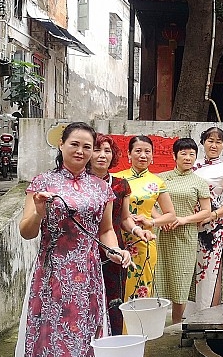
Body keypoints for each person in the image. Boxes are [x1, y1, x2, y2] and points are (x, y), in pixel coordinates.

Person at [0, 122, 133, 357]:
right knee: (37, 346)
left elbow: (105, 231)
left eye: (88, 147)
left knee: (78, 350)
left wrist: (115, 251)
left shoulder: (101, 189)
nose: (81, 151)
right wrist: (39, 211)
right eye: (75, 144)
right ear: (61, 144)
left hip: (87, 281)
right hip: (50, 277)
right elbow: (27, 231)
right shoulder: (42, 183)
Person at [89, 133, 153, 335]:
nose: (102, 155)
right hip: (85, 251)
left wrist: (137, 230)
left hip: (114, 250)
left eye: (107, 151)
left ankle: (113, 341)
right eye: (97, 150)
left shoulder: (120, 185)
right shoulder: (79, 184)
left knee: (114, 301)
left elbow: (124, 218)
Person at [156, 138, 212, 323]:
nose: (188, 158)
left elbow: (206, 211)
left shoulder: (199, 182)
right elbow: (150, 203)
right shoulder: (161, 178)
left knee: (181, 280)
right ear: (174, 156)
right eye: (183, 153)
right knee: (160, 276)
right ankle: (157, 323)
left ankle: (176, 323)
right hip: (162, 234)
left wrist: (183, 219)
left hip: (185, 235)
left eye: (192, 154)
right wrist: (160, 220)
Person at [114, 136, 177, 301]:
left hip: (144, 241)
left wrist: (151, 221)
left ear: (152, 155)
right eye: (138, 151)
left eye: (147, 151)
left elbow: (170, 214)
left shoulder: (157, 182)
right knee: (117, 287)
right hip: (118, 240)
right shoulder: (117, 178)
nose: (143, 155)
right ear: (129, 154)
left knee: (142, 287)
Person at [192, 127, 223, 310]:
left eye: (218, 142)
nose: (214, 145)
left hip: (212, 227)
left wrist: (213, 215)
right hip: (189, 223)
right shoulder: (191, 164)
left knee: (209, 271)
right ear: (203, 142)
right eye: (210, 141)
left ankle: (209, 314)